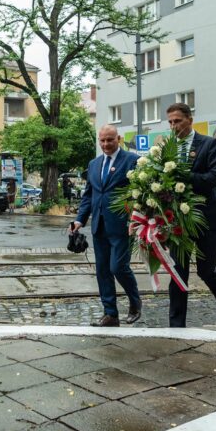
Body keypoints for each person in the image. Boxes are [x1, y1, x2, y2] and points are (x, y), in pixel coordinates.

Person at [165, 103, 216, 332]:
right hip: (178, 220)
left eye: (177, 121)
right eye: (170, 122)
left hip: (206, 218)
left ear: (189, 119)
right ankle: (177, 325)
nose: (173, 126)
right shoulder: (168, 148)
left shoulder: (209, 144)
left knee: (207, 271)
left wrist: (185, 176)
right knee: (178, 271)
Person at [70, 125, 142, 327]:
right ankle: (110, 314)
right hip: (99, 225)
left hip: (123, 225)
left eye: (110, 140)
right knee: (103, 270)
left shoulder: (132, 161)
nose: (105, 144)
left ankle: (135, 302)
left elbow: (140, 192)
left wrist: (136, 217)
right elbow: (89, 195)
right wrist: (79, 220)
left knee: (118, 267)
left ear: (118, 138)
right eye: (102, 140)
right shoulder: (94, 164)